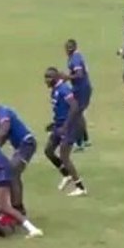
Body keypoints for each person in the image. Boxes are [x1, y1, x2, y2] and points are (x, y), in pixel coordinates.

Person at [0, 95, 37, 215]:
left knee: (12, 171)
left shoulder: (3, 112)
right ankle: (16, 207)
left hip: (27, 143)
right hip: (20, 147)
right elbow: (5, 135)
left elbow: (4, 131)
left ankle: (17, 208)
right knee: (13, 173)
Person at [43, 67, 87, 197]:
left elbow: (74, 107)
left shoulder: (64, 89)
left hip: (71, 126)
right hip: (60, 124)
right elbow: (60, 109)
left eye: (49, 77)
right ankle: (66, 175)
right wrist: (54, 124)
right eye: (45, 77)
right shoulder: (55, 90)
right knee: (48, 150)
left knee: (64, 156)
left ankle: (80, 187)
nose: (46, 80)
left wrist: (65, 127)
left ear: (56, 78)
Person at [63, 39, 92, 150]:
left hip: (82, 89)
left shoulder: (75, 59)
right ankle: (85, 139)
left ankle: (80, 143)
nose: (67, 49)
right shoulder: (75, 56)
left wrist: (67, 77)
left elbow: (79, 74)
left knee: (76, 114)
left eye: (69, 47)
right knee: (78, 114)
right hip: (80, 88)